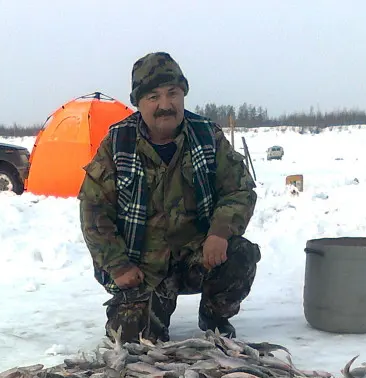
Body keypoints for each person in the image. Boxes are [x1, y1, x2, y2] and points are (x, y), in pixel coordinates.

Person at [78, 51, 260, 343]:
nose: (165, 105)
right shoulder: (117, 143)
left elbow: (239, 189)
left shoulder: (206, 135)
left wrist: (220, 232)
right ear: (138, 103)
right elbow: (94, 209)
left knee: (240, 253)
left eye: (172, 93)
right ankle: (144, 310)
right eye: (153, 97)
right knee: (133, 342)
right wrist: (118, 264)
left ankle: (214, 316)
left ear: (183, 94)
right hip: (143, 267)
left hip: (196, 256)